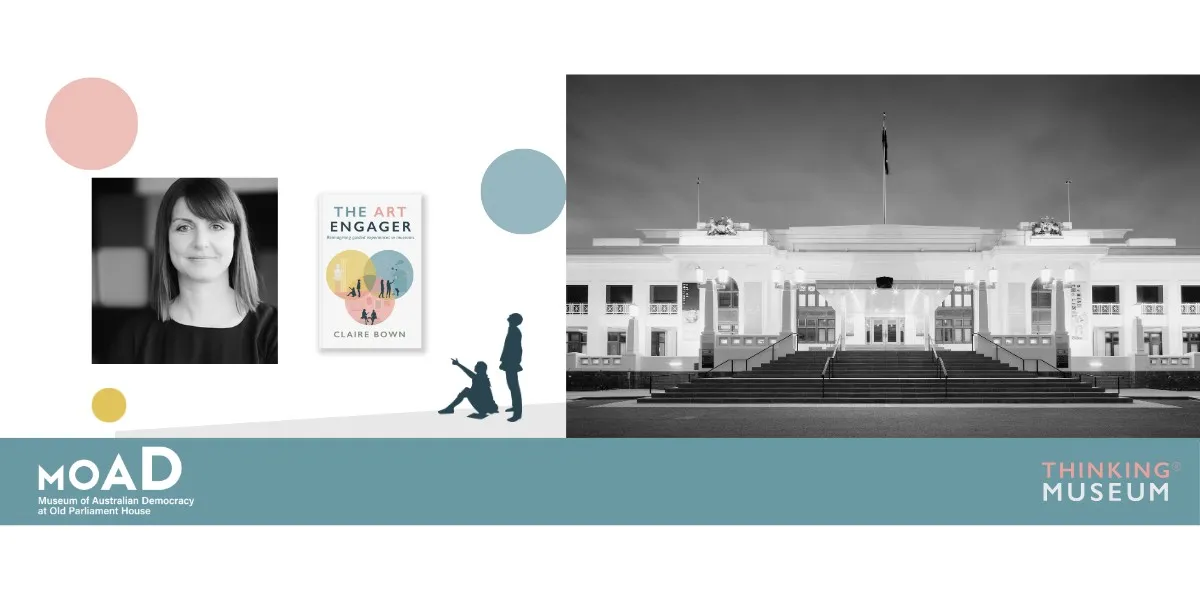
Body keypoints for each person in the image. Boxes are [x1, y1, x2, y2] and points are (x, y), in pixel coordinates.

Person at [109, 178, 277, 364]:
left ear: (236, 239)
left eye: (216, 226)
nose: (200, 243)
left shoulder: (276, 331)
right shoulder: (133, 335)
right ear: (166, 239)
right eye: (184, 227)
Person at [500, 313, 524, 422]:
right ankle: (515, 407)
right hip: (510, 362)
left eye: (510, 316)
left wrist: (513, 362)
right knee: (512, 386)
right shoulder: (513, 330)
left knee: (514, 387)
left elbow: (517, 349)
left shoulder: (514, 331)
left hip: (511, 363)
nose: (507, 317)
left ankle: (517, 413)